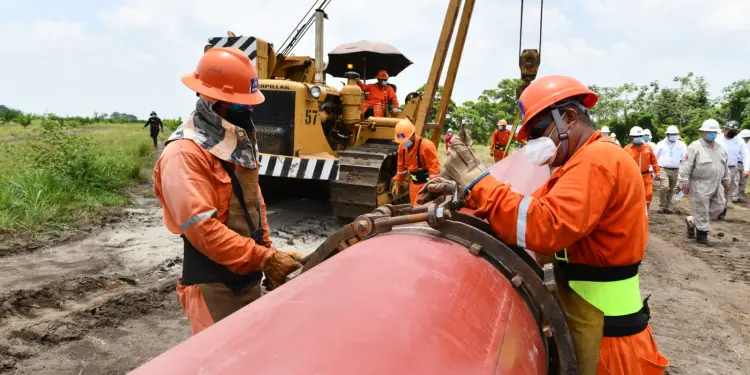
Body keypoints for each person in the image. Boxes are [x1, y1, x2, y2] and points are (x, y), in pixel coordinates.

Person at [419, 75, 668, 375]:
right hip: (593, 322)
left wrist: (477, 179)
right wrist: (465, 194)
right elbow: (528, 205)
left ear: (569, 117)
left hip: (609, 341)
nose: (534, 143)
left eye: (538, 132)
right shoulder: (578, 163)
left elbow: (541, 225)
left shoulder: (598, 161)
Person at [153, 47, 305, 335]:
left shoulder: (233, 147)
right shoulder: (185, 154)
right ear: (210, 102)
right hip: (213, 286)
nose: (246, 113)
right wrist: (264, 259)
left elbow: (253, 206)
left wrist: (269, 254)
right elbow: (203, 229)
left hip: (246, 278)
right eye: (238, 107)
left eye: (249, 106)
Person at [678, 119, 731, 245]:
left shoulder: (720, 148)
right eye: (709, 132)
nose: (711, 134)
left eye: (714, 132)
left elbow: (725, 166)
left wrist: (726, 181)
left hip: (717, 184)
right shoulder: (694, 147)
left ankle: (692, 220)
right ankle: (702, 235)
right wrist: (684, 182)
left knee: (719, 207)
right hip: (700, 184)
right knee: (701, 210)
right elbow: (686, 166)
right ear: (703, 132)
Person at [391, 119, 440, 207]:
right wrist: (398, 181)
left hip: (425, 184)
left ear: (413, 134)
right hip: (413, 184)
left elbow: (434, 171)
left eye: (405, 140)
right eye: (401, 141)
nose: (403, 143)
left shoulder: (426, 146)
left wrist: (432, 189)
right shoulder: (402, 147)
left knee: (419, 209)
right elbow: (401, 167)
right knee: (413, 206)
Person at [625, 126, 660, 210]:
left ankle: (645, 211)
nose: (638, 138)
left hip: (646, 175)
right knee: (633, 196)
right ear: (631, 137)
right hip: (633, 177)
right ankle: (634, 212)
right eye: (635, 136)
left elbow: (654, 161)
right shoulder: (627, 149)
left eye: (640, 136)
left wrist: (657, 172)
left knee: (648, 194)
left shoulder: (648, 148)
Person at [715, 120, 750, 204]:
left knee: (728, 188)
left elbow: (745, 154)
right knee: (715, 187)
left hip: (731, 168)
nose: (732, 132)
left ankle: (724, 208)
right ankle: (714, 206)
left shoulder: (739, 140)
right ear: (725, 129)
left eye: (734, 131)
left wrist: (746, 168)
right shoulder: (717, 138)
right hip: (717, 166)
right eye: (730, 130)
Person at [653, 126, 687, 213]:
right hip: (663, 169)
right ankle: (661, 205)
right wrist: (654, 171)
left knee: (671, 189)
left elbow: (685, 157)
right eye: (672, 134)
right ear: (667, 135)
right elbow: (654, 157)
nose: (674, 136)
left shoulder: (681, 144)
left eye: (675, 134)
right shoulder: (661, 144)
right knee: (664, 187)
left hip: (675, 169)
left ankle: (667, 207)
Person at [737, 129, 750, 202]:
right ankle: (734, 196)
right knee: (736, 180)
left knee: (743, 181)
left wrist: (747, 168)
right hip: (737, 163)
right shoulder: (737, 142)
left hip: (746, 164)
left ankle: (741, 196)